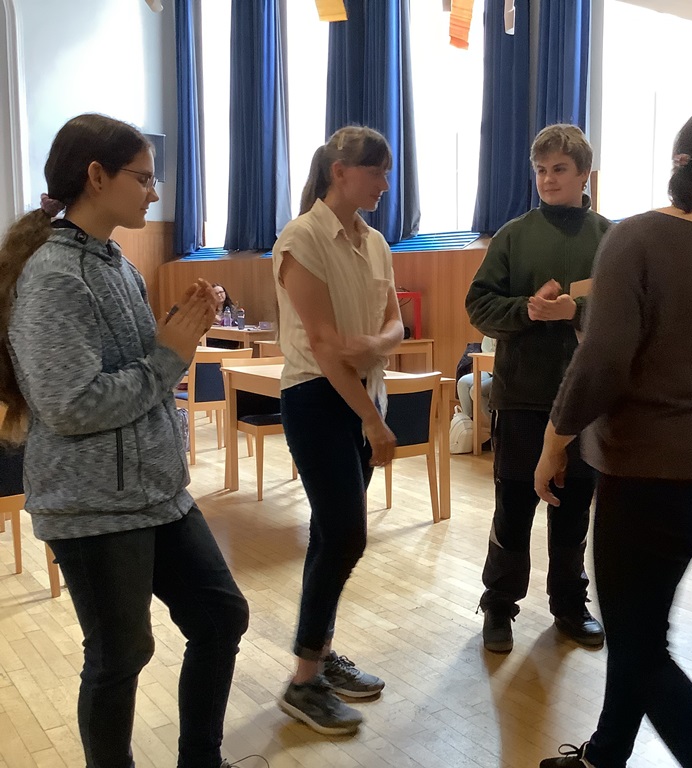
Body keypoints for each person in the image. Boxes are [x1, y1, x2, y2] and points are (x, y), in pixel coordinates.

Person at [0, 114, 249, 768]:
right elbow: (71, 405)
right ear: (96, 176)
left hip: (155, 491)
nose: (154, 192)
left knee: (220, 618)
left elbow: (136, 368)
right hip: (92, 506)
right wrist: (170, 354)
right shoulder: (54, 276)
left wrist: (178, 330)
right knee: (120, 656)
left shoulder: (117, 264)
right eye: (143, 178)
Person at [534, 98, 692, 768]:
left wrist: (553, 443)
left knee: (639, 646)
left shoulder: (636, 237)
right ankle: (605, 755)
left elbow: (601, 361)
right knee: (640, 625)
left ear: (680, 160)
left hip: (649, 471)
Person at [272, 126, 403, 735]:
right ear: (339, 172)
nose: (384, 183)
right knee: (346, 535)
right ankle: (303, 681)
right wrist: (373, 421)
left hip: (362, 392)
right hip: (317, 399)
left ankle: (319, 655)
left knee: (331, 535)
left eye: (386, 172)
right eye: (376, 171)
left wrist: (374, 345)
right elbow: (325, 346)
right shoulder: (301, 238)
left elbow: (395, 323)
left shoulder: (374, 243)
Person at [466, 123, 612, 653]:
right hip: (522, 397)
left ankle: (570, 604)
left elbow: (630, 313)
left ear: (584, 174)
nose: (548, 179)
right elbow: (479, 304)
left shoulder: (609, 238)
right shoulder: (513, 235)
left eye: (560, 170)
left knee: (573, 510)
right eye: (541, 170)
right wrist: (527, 310)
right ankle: (499, 605)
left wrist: (577, 310)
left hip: (585, 403)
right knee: (514, 505)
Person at [456, 335, 496, 421]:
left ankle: (494, 424)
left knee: (475, 390)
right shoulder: (490, 332)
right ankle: (468, 423)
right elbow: (485, 352)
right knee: (463, 383)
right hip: (488, 370)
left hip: (502, 374)